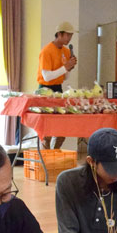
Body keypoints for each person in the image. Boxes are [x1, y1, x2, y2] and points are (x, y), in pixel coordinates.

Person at [37, 21, 77, 150]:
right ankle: (46, 157)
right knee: (47, 130)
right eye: (67, 35)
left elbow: (64, 77)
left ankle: (55, 153)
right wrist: (66, 67)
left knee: (61, 127)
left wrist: (69, 69)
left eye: (71, 35)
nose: (69, 38)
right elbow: (46, 76)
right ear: (59, 34)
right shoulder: (46, 51)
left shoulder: (66, 51)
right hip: (44, 89)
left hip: (58, 89)